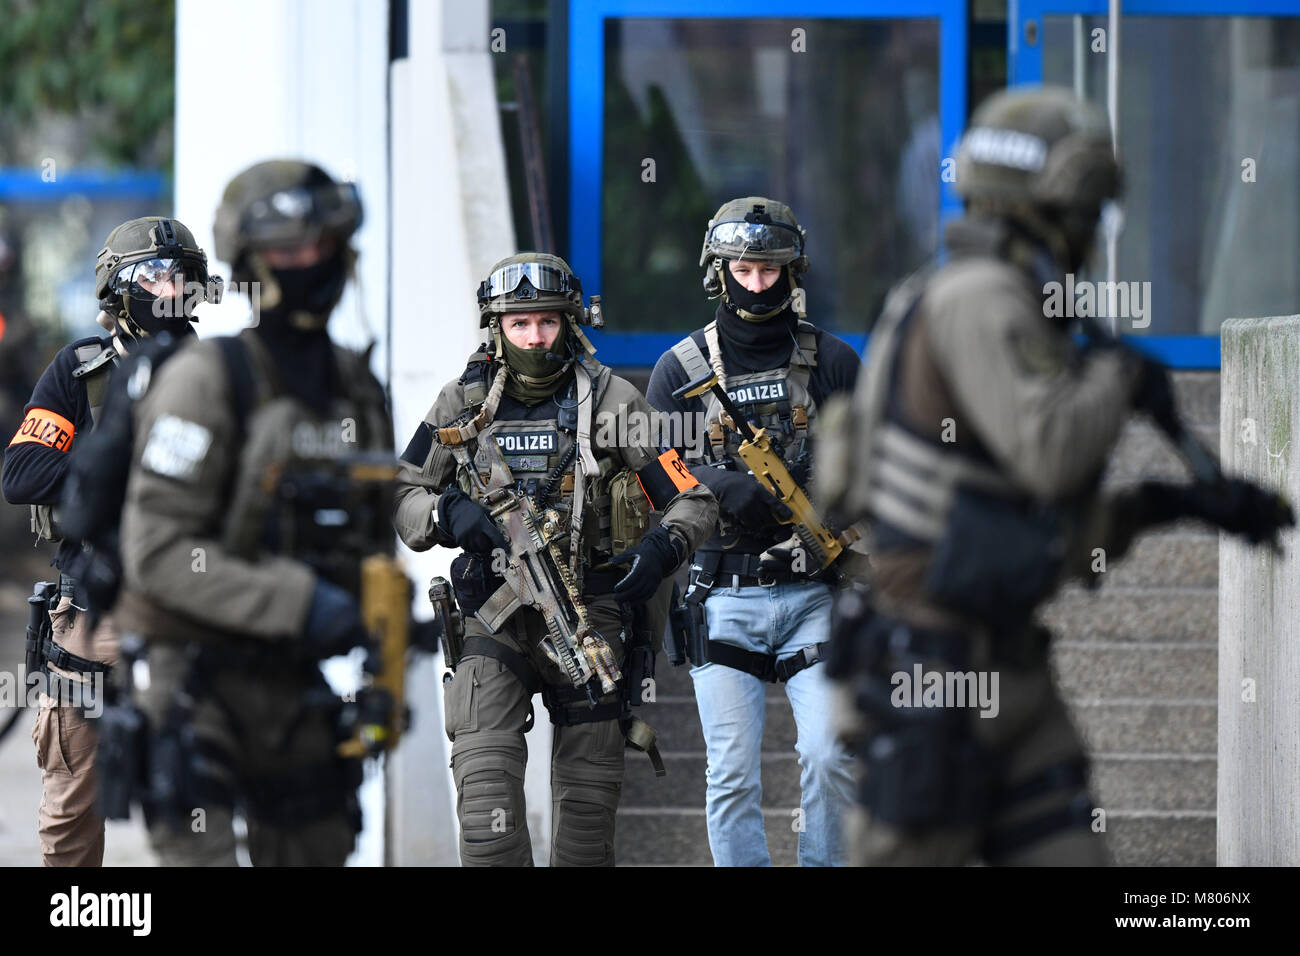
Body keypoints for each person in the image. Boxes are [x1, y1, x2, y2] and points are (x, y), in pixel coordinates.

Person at [817, 86, 1293, 866]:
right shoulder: (977, 298)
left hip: (1006, 672)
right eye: (1087, 213)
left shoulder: (988, 298)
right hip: (933, 676)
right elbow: (1053, 452)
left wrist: (1176, 504)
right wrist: (1116, 374)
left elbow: (1011, 532)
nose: (1092, 234)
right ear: (1052, 207)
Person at [394, 252, 718, 866]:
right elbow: (401, 490)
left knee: (585, 836)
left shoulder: (614, 401)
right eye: (519, 325)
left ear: (570, 323)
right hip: (493, 620)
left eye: (546, 321)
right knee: (488, 826)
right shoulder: (459, 403)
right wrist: (445, 515)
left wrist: (662, 546)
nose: (534, 337)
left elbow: (691, 498)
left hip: (587, 620)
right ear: (498, 329)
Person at [111, 160, 391, 865]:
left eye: (321, 247)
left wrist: (382, 656)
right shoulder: (205, 380)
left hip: (292, 682)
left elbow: (372, 539)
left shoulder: (357, 388)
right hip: (193, 677)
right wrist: (300, 601)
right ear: (253, 261)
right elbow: (160, 554)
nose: (309, 265)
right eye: (288, 252)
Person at [645, 197, 860, 867]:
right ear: (719, 270)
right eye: (744, 268)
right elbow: (656, 472)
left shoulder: (834, 361)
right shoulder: (679, 370)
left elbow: (878, 466)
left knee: (830, 754)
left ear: (792, 271)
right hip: (724, 594)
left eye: (770, 270)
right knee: (733, 773)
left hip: (816, 592)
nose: (757, 283)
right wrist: (716, 483)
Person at [2, 216, 212, 866]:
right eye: (152, 275)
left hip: (199, 606)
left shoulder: (222, 373)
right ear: (117, 287)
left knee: (204, 799)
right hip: (95, 608)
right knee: (71, 805)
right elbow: (22, 474)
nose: (168, 287)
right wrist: (116, 475)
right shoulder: (81, 370)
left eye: (180, 275)